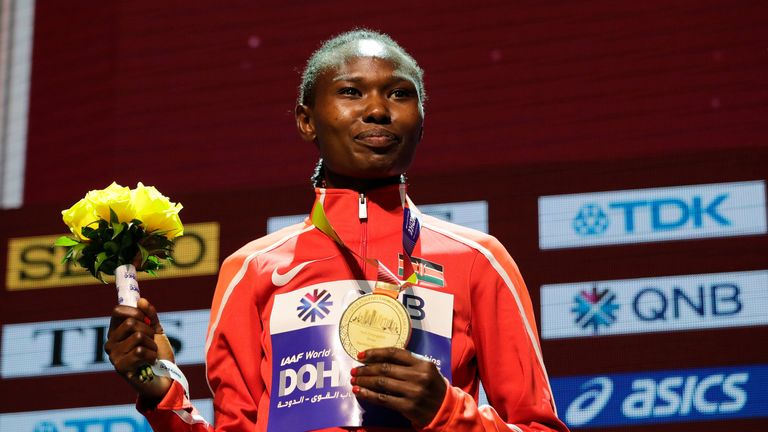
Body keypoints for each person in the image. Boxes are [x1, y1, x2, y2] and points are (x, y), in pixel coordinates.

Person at [105, 29, 569, 432]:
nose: (378, 110)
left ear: (421, 121)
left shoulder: (477, 260)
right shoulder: (252, 271)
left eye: (399, 94)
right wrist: (157, 388)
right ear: (307, 121)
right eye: (351, 92)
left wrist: (446, 412)